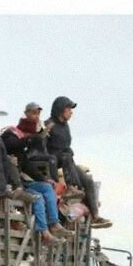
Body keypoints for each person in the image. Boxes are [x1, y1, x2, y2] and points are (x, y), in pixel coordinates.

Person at [45, 97, 112, 229]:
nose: (71, 112)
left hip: (66, 161)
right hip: (53, 161)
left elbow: (66, 146)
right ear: (60, 110)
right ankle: (72, 188)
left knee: (88, 180)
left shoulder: (65, 126)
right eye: (68, 109)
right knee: (65, 157)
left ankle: (96, 216)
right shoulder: (49, 124)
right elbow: (43, 148)